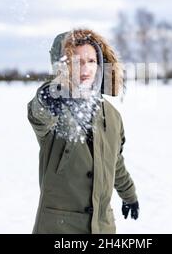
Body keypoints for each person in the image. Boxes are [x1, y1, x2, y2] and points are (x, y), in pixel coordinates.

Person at [27, 28, 139, 234]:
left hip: (102, 225)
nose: (84, 68)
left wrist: (129, 194)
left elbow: (115, 162)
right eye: (75, 61)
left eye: (91, 61)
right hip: (59, 228)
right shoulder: (55, 107)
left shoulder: (112, 115)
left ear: (100, 65)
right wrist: (45, 97)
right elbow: (38, 117)